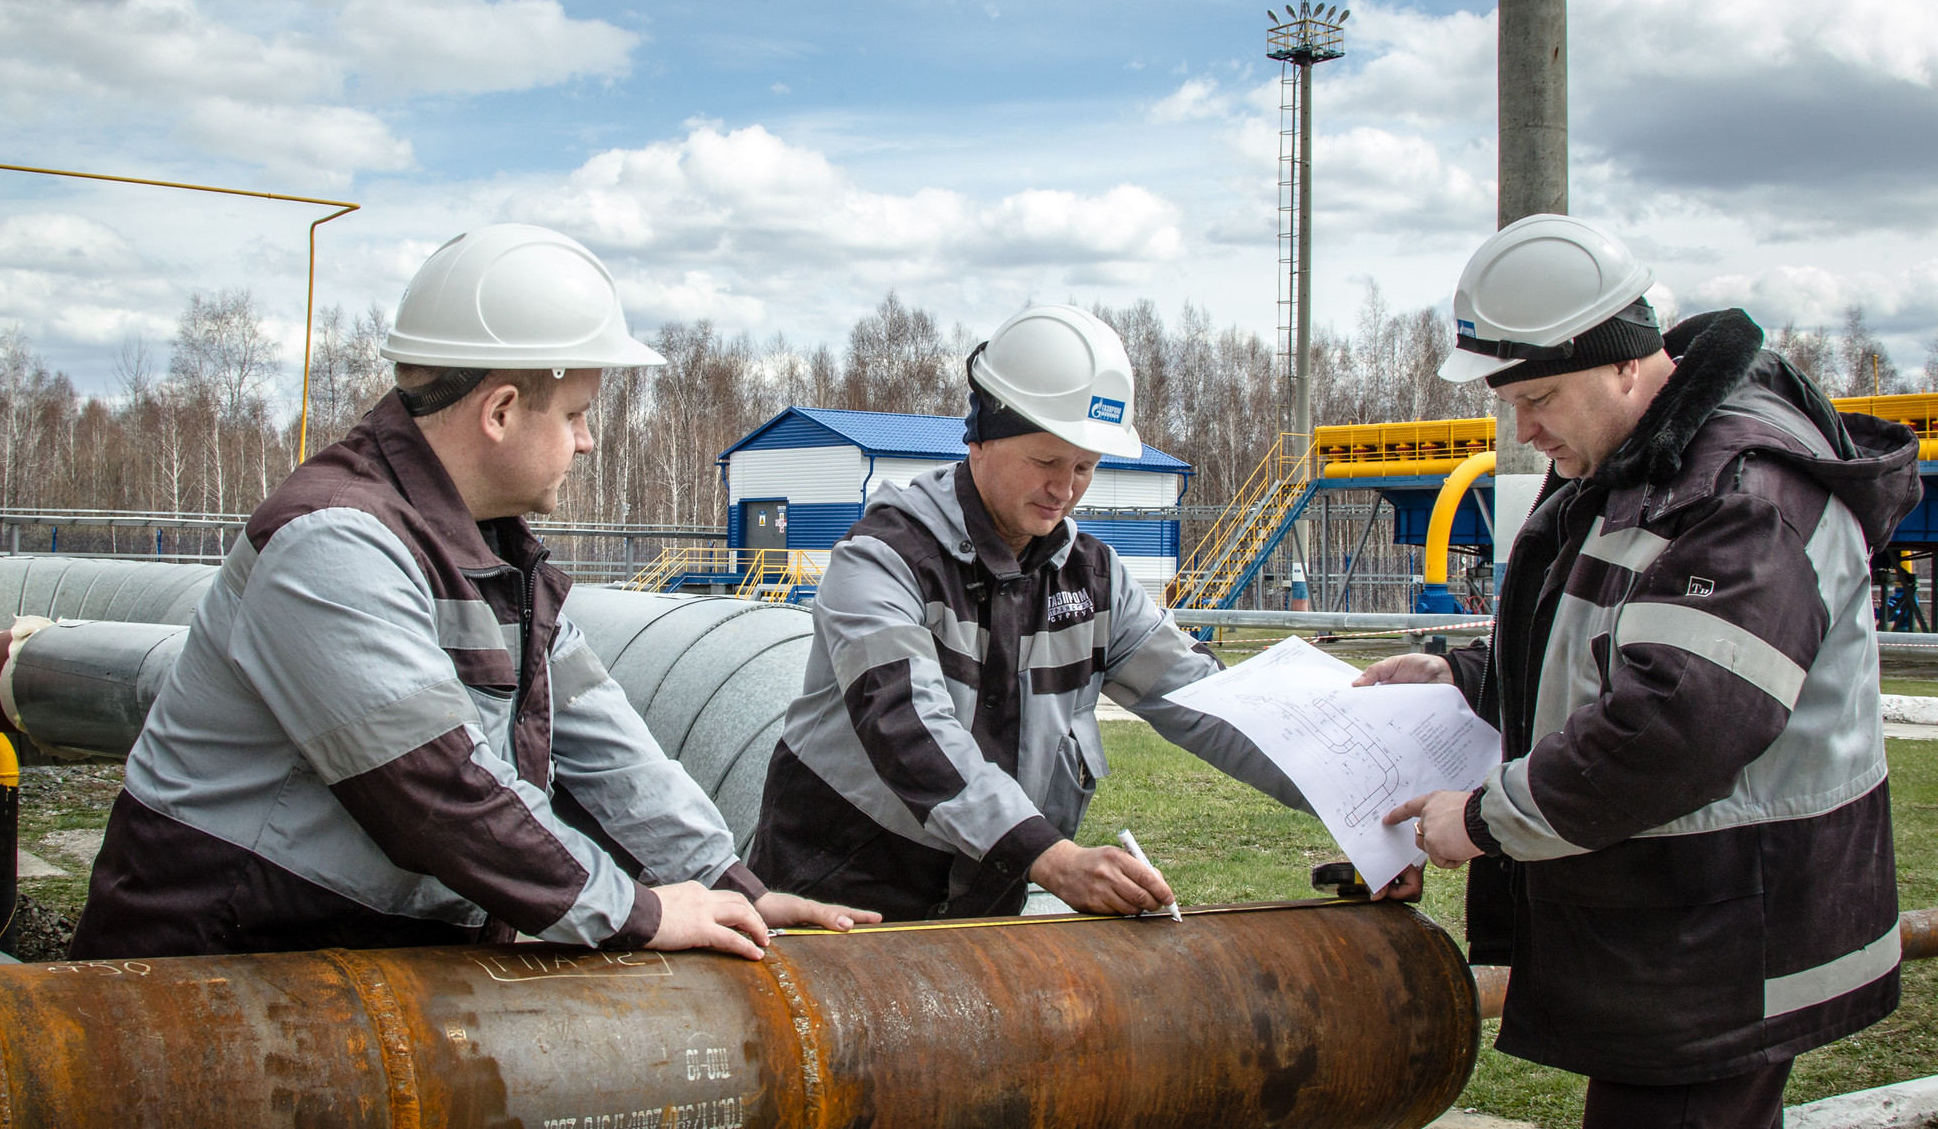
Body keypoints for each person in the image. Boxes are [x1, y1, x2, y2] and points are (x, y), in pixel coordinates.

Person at [73, 225, 875, 960]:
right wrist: (638, 912)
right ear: (498, 411)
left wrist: (733, 889)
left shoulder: (497, 554)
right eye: (576, 413)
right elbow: (435, 789)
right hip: (204, 966)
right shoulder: (333, 544)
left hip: (335, 964)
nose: (588, 440)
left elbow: (606, 748)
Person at [1364, 215, 1920, 1128]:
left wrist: (1482, 817)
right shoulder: (1640, 458)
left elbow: (1678, 724)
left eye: (1538, 394)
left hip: (1730, 932)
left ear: (1626, 360)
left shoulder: (1739, 491)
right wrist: (1463, 675)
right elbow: (1604, 636)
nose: (1524, 425)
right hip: (1689, 923)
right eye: (1511, 398)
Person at [748, 304, 1339, 920]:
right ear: (979, 439)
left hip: (981, 913)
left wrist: (1361, 807)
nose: (1066, 488)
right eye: (1046, 462)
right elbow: (905, 723)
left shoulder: (1094, 580)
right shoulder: (883, 559)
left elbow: (1210, 703)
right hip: (836, 904)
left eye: (1085, 467)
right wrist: (1051, 857)